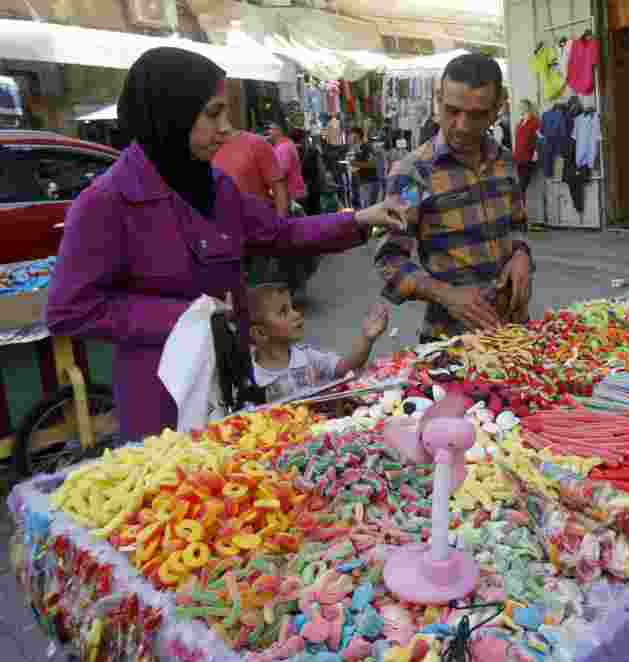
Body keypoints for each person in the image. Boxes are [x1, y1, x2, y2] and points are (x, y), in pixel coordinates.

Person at [45, 47, 411, 441]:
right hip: (162, 400)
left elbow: (279, 233)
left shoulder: (215, 185)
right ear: (170, 112)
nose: (226, 128)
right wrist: (186, 315)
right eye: (213, 113)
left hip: (233, 380)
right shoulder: (107, 202)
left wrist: (357, 219)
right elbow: (70, 309)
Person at [375, 52, 535, 344]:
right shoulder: (414, 172)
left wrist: (522, 254)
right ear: (438, 98)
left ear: (497, 108)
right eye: (452, 110)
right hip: (451, 342)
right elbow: (389, 259)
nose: (461, 125)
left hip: (515, 332)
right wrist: (446, 294)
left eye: (476, 115)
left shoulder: (505, 162)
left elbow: (517, 224)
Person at [248, 283, 388, 402]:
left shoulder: (306, 356)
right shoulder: (251, 378)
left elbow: (345, 367)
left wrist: (367, 338)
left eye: (292, 308)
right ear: (261, 333)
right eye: (283, 312)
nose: (296, 314)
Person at [213, 127, 288, 218]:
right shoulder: (199, 151)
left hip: (258, 224)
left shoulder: (256, 143)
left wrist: (280, 225)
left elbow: (278, 188)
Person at [269, 121, 306, 209]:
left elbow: (281, 171)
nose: (269, 132)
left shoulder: (283, 148)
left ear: (279, 131)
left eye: (271, 129)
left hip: (291, 195)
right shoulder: (284, 145)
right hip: (292, 194)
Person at [513, 99, 541, 195]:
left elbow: (539, 139)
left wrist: (535, 154)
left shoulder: (535, 122)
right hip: (518, 159)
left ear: (527, 107)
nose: (519, 108)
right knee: (518, 188)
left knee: (522, 188)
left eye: (521, 106)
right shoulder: (519, 123)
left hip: (528, 159)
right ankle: (521, 208)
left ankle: (520, 208)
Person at [348, 128, 381, 209]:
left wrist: (354, 163)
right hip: (363, 182)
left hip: (370, 183)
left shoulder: (367, 147)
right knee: (365, 209)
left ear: (357, 136)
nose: (349, 137)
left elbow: (372, 164)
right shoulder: (358, 148)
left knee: (368, 210)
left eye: (350, 135)